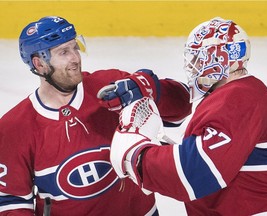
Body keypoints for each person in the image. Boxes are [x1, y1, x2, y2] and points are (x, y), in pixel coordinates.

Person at [0, 16, 192, 215]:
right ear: (39, 64)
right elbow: (11, 202)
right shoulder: (14, 128)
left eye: (75, 47)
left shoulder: (111, 85)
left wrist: (151, 89)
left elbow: (183, 106)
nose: (75, 57)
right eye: (64, 52)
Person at [109, 17, 267, 215]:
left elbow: (194, 172)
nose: (192, 65)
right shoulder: (241, 94)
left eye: (197, 58)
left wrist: (137, 156)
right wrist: (170, 151)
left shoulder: (239, 99)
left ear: (218, 59)